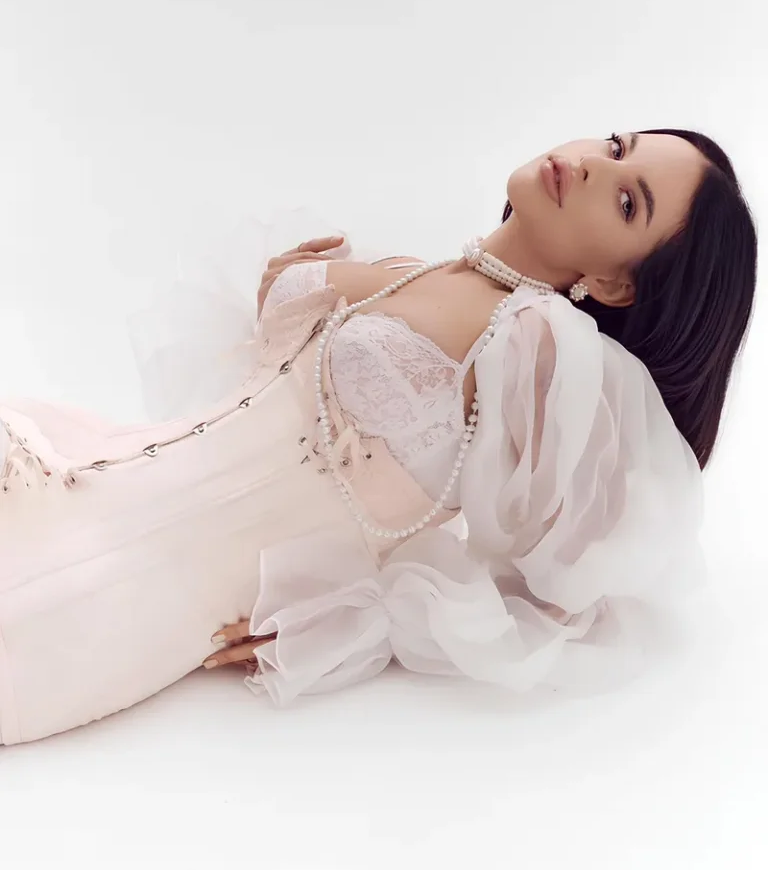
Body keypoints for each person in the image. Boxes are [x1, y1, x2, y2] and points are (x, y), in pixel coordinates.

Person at [0, 129, 756, 745]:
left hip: (114, 587)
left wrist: (359, 619)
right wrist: (280, 292)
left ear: (617, 284)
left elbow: (575, 590)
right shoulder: (412, 269)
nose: (593, 165)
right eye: (617, 146)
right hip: (70, 465)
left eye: (627, 202)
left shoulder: (538, 345)